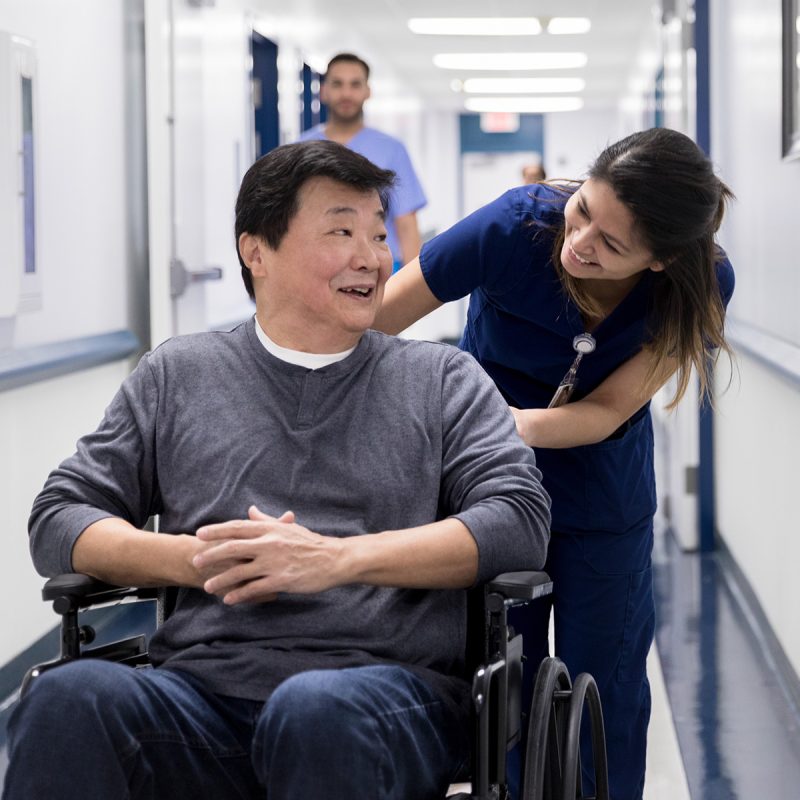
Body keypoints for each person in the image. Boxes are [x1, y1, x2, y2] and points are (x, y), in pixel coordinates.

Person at [3, 140, 551, 800]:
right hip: (201, 694)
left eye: (378, 234)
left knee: (314, 712)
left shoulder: (440, 380)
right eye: (342, 231)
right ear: (256, 251)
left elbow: (518, 520)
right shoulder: (178, 376)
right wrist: (186, 560)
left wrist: (336, 560)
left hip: (383, 694)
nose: (373, 257)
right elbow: (59, 516)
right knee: (68, 699)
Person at [374, 127, 735, 800]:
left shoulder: (702, 281)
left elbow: (604, 412)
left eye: (612, 245)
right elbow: (378, 320)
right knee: (504, 676)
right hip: (491, 483)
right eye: (583, 211)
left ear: (660, 260)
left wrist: (494, 423)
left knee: (608, 680)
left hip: (600, 486)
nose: (579, 244)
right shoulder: (514, 226)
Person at [299, 52, 427, 272]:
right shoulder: (300, 150)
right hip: (318, 269)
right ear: (324, 91)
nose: (346, 93)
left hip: (378, 269)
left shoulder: (392, 150)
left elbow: (406, 225)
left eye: (355, 84)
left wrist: (413, 289)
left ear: (367, 92)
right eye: (338, 84)